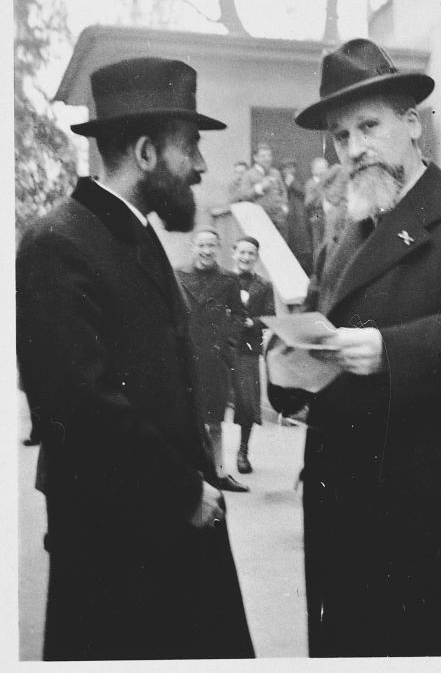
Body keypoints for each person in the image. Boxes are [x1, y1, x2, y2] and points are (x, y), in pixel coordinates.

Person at [269, 38, 441, 657]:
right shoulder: (341, 243)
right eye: (342, 137)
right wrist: (286, 372)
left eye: (369, 125)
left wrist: (391, 351)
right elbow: (324, 341)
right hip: (352, 524)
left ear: (412, 123)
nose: (356, 148)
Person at [16, 56, 254, 661]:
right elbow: (79, 404)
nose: (201, 166)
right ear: (146, 153)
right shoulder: (58, 243)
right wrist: (183, 491)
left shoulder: (133, 234)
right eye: (191, 148)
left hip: (165, 529)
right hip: (117, 541)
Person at [177, 228, 249, 493]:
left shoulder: (228, 279)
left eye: (212, 246)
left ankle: (219, 473)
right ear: (192, 245)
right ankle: (190, 475)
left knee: (214, 420)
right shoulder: (177, 274)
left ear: (218, 248)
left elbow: (240, 315)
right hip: (185, 358)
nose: (207, 251)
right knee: (186, 418)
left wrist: (227, 343)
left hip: (214, 359)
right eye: (202, 245)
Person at [231, 236, 275, 473]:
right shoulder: (223, 279)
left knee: (247, 403)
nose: (247, 257)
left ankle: (243, 451)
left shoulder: (264, 285)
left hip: (247, 349)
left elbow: (270, 316)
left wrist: (252, 322)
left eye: (251, 254)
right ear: (234, 253)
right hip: (221, 347)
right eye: (243, 252)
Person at [234, 143, 289, 237]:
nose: (267, 158)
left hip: (279, 218)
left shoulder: (275, 172)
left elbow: (283, 191)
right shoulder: (248, 175)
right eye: (263, 156)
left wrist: (284, 206)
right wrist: (260, 187)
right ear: (255, 158)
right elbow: (243, 195)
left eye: (269, 155)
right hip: (260, 218)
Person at [281, 158, 313, 274]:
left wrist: (293, 183)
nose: (289, 171)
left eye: (291, 168)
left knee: (303, 251)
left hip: (300, 221)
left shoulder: (299, 181)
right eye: (286, 168)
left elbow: (305, 193)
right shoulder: (279, 183)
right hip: (286, 221)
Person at [304, 156, 329, 262]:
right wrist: (319, 190)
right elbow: (308, 203)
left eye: (325, 167)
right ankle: (317, 267)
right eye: (320, 168)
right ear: (313, 170)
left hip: (330, 214)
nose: (323, 170)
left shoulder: (330, 182)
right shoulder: (310, 184)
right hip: (318, 214)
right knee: (318, 243)